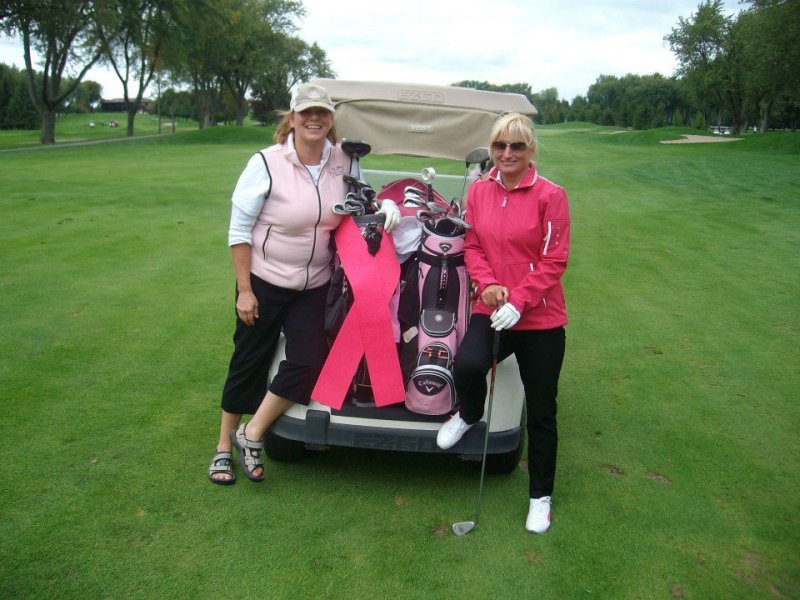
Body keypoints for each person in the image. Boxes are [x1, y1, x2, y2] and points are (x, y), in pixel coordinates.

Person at [208, 83, 399, 485]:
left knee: (309, 360)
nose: (314, 119)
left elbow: (362, 201)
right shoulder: (266, 162)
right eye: (306, 112)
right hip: (264, 280)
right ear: (292, 118)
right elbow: (239, 231)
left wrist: (386, 205)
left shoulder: (345, 159)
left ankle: (252, 433)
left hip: (315, 285)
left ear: (330, 120)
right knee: (249, 358)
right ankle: (223, 446)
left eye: (322, 113)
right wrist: (245, 290)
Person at [435, 112, 570, 533]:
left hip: (541, 317)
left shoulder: (551, 195)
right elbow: (473, 245)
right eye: (499, 145)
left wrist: (521, 299)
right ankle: (470, 413)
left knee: (542, 410)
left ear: (530, 149)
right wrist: (489, 285)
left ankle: (540, 497)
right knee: (468, 365)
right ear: (491, 149)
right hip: (493, 307)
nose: (507, 153)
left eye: (516, 146)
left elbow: (554, 259)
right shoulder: (480, 190)